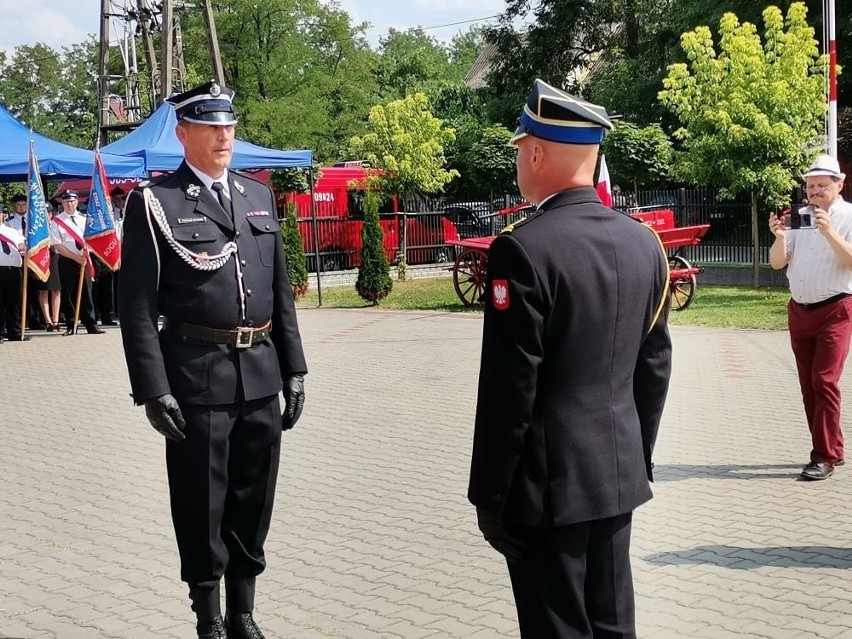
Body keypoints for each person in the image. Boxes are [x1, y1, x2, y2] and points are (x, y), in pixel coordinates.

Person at [468, 79, 672, 638]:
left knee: (557, 628)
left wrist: (489, 495)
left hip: (546, 486)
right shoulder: (644, 244)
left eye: (519, 150)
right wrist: (636, 456)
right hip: (616, 474)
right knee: (613, 624)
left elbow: (511, 390)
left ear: (536, 151)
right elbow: (654, 369)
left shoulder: (524, 248)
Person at [118, 80, 308, 639]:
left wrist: (295, 368)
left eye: (229, 126)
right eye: (211, 126)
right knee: (203, 505)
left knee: (254, 497)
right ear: (184, 133)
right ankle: (209, 616)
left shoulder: (257, 196)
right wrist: (152, 389)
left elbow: (281, 291)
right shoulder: (155, 202)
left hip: (260, 375)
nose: (224, 136)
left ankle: (244, 609)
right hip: (197, 377)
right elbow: (135, 307)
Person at [769, 154, 852, 481]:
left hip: (835, 308)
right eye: (810, 186)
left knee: (824, 381)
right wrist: (778, 238)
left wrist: (830, 232)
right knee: (809, 385)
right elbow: (778, 263)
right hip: (799, 310)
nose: (814, 191)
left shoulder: (847, 216)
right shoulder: (799, 218)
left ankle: (824, 457)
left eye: (822, 185)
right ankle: (834, 447)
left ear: (839, 184)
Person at [52, 191, 103, 335]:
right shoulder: (57, 221)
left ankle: (91, 324)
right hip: (67, 260)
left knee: (87, 291)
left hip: (84, 259)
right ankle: (71, 324)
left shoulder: (84, 219)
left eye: (72, 201)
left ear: (77, 202)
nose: (69, 204)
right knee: (68, 293)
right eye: (66, 202)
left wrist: (87, 252)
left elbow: (92, 239)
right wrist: (75, 258)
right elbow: (57, 245)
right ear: (62, 203)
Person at [0, 208, 27, 342]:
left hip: (14, 270)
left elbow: (22, 245)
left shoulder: (12, 231)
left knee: (13, 302)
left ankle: (14, 332)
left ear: (3, 215)